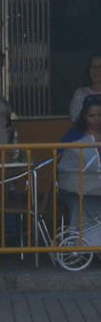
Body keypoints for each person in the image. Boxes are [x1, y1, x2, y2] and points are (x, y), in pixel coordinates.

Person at [59, 94, 101, 246]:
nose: (96, 120)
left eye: (99, 116)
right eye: (92, 116)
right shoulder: (73, 136)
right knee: (80, 203)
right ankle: (84, 245)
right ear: (84, 116)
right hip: (76, 189)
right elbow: (62, 160)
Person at [68, 54, 101, 122]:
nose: (96, 70)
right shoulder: (80, 94)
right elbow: (75, 119)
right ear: (89, 70)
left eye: (100, 67)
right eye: (93, 67)